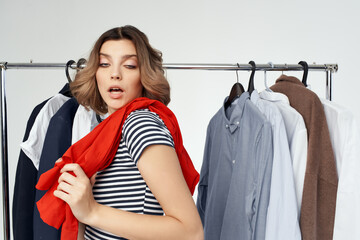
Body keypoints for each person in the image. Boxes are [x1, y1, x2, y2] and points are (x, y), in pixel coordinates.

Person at [52, 25, 204, 239]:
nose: (115, 74)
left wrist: (92, 211)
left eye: (130, 65)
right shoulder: (110, 130)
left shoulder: (139, 124)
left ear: (145, 74)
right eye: (105, 64)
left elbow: (190, 232)